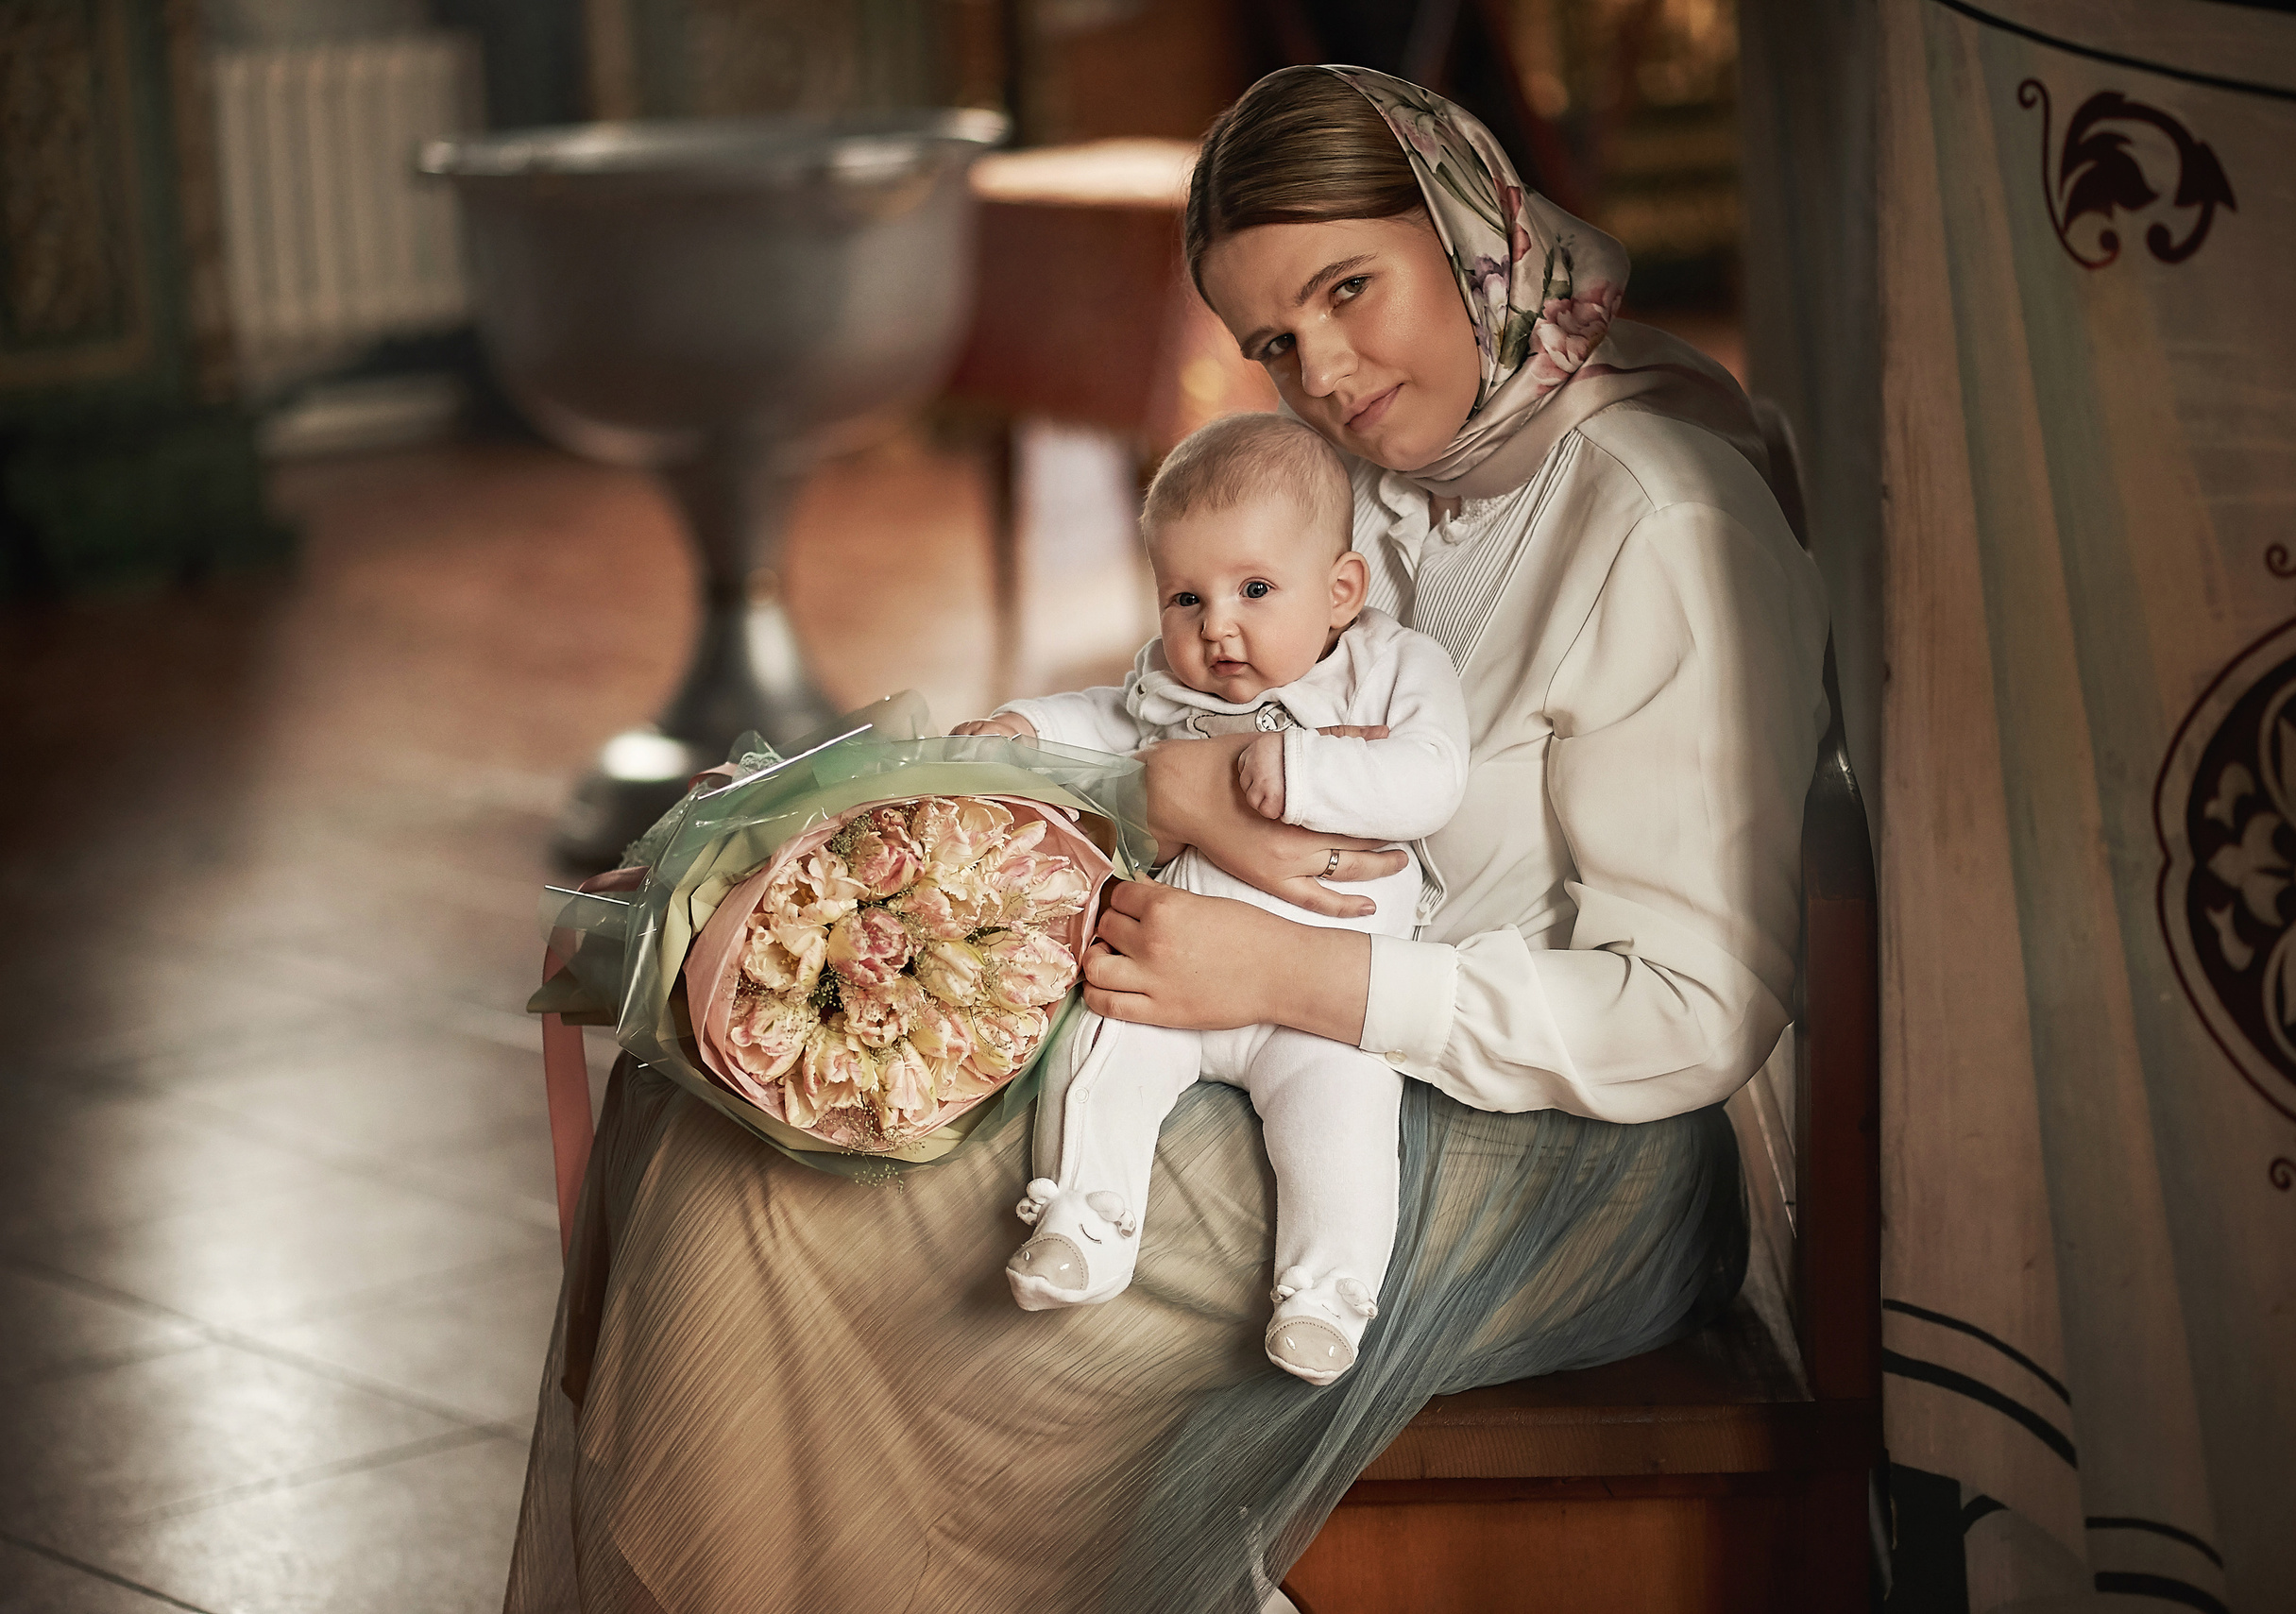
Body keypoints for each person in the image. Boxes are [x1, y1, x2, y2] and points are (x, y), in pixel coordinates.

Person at [505, 64, 1828, 1614]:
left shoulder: (1659, 513)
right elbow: (1179, 732)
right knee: (743, 1091)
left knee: (797, 1212)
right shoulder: (1383, 488)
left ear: (1475, 234)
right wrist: (821, 828)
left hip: (1557, 1153)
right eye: (1273, 337)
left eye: (1350, 289)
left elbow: (1694, 1010)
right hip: (1274, 1025)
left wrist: (1288, 970)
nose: (1323, 369)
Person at [953, 413, 1469, 1385]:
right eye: (1183, 597)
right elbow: (1105, 722)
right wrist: (1025, 727)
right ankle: (1082, 1221)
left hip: (1318, 1001)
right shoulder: (1165, 682)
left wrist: (1299, 770)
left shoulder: (1394, 669)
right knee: (1095, 1056)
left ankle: (1327, 1293)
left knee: (1345, 1126)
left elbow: (1433, 778)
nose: (1215, 626)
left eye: (1254, 590)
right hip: (1171, 980)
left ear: (1341, 589)